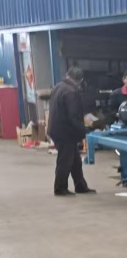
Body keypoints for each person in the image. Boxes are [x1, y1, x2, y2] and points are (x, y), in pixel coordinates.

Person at [47, 67, 96, 197]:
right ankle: (60, 188)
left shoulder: (58, 86)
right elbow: (73, 116)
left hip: (57, 129)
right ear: (80, 80)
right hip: (65, 132)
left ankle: (80, 185)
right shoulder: (71, 92)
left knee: (75, 161)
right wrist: (85, 130)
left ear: (67, 75)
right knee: (65, 160)